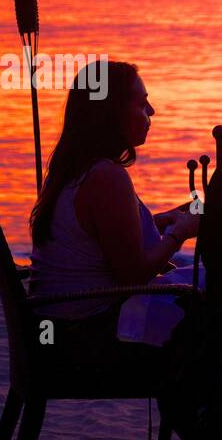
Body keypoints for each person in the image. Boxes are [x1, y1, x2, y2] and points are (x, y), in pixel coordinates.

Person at [29, 60, 199, 353]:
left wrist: (156, 222)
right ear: (113, 113)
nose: (152, 112)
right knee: (216, 304)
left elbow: (97, 241)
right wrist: (179, 234)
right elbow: (133, 274)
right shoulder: (106, 177)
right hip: (84, 334)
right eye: (142, 103)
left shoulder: (72, 168)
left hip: (56, 322)